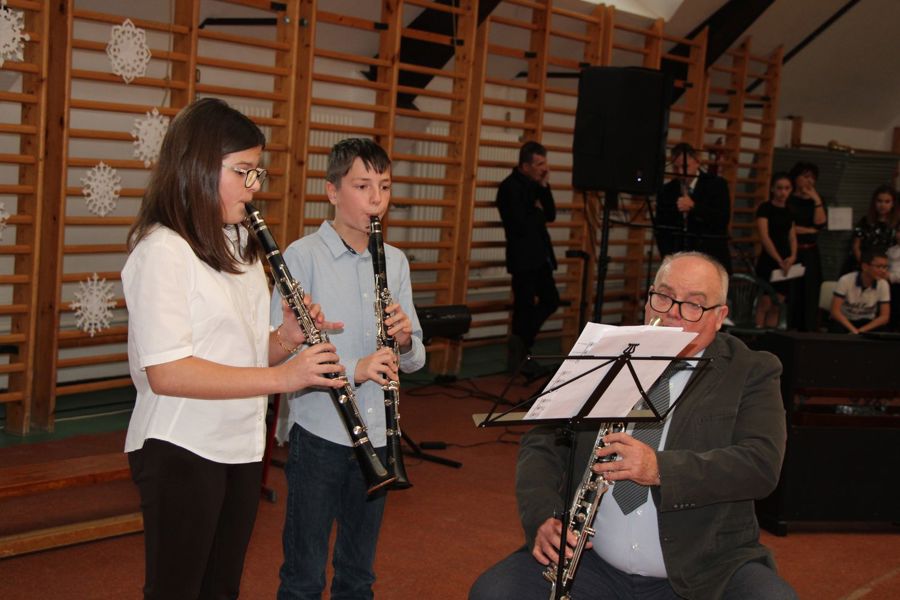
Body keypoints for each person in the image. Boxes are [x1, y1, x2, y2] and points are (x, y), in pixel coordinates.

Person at [470, 252, 796, 600]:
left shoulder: (751, 370)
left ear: (719, 317)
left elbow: (760, 464)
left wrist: (660, 469)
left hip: (705, 567)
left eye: (693, 304)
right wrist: (543, 518)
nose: (673, 312)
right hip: (591, 562)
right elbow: (542, 444)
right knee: (494, 593)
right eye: (664, 296)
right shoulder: (605, 354)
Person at [121, 98, 345, 600]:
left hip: (240, 442)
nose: (254, 186)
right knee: (176, 589)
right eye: (242, 172)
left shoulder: (239, 243)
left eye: (256, 172)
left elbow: (241, 352)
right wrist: (283, 378)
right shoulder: (162, 250)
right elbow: (168, 372)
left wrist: (284, 339)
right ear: (198, 166)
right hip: (181, 444)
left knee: (221, 588)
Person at [272, 138, 426, 600]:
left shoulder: (395, 261)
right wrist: (355, 368)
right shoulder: (302, 257)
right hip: (320, 434)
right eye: (362, 186)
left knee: (358, 574)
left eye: (385, 186)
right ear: (332, 191)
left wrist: (404, 338)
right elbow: (282, 353)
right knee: (303, 575)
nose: (377, 198)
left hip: (378, 433)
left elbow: (415, 357)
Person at [496, 141, 560, 374]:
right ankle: (520, 358)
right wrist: (537, 212)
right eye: (539, 164)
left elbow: (550, 215)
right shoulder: (509, 187)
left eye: (545, 163)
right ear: (525, 166)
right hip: (523, 258)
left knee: (551, 300)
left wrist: (544, 187)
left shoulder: (536, 185)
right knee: (523, 307)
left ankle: (522, 344)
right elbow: (520, 223)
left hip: (541, 256)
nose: (544, 168)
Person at [655, 143, 733, 274]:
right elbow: (661, 229)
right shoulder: (667, 190)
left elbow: (722, 220)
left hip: (711, 258)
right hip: (679, 260)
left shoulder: (716, 185)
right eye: (676, 167)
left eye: (685, 167)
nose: (681, 172)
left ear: (697, 162)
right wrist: (668, 259)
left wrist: (694, 207)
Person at [786, 162, 827, 331]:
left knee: (811, 292)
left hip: (811, 252)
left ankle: (809, 330)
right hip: (792, 251)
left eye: (812, 177)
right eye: (805, 176)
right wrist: (808, 230)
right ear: (796, 178)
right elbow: (787, 226)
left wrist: (816, 199)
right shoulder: (788, 198)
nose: (809, 181)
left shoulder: (817, 200)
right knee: (792, 292)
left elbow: (820, 224)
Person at [754, 173, 797, 328]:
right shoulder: (765, 208)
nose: (783, 192)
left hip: (786, 261)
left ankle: (770, 337)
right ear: (772, 189)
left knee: (777, 304)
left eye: (787, 188)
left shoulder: (790, 210)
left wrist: (792, 256)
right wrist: (778, 259)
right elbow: (764, 236)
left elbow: (792, 236)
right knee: (765, 302)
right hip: (769, 259)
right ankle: (757, 335)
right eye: (779, 188)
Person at [828, 249, 891, 334]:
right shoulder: (846, 280)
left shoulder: (883, 284)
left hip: (867, 322)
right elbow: (835, 311)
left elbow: (884, 317)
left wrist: (861, 331)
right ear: (865, 266)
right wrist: (853, 330)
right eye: (879, 267)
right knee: (836, 328)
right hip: (845, 320)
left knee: (883, 330)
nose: (883, 271)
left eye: (885, 267)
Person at [849, 185, 898, 267]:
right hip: (865, 266)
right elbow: (856, 247)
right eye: (879, 201)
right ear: (874, 202)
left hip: (891, 267)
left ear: (893, 204)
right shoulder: (865, 221)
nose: (882, 205)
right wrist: (865, 265)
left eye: (887, 202)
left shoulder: (897, 223)